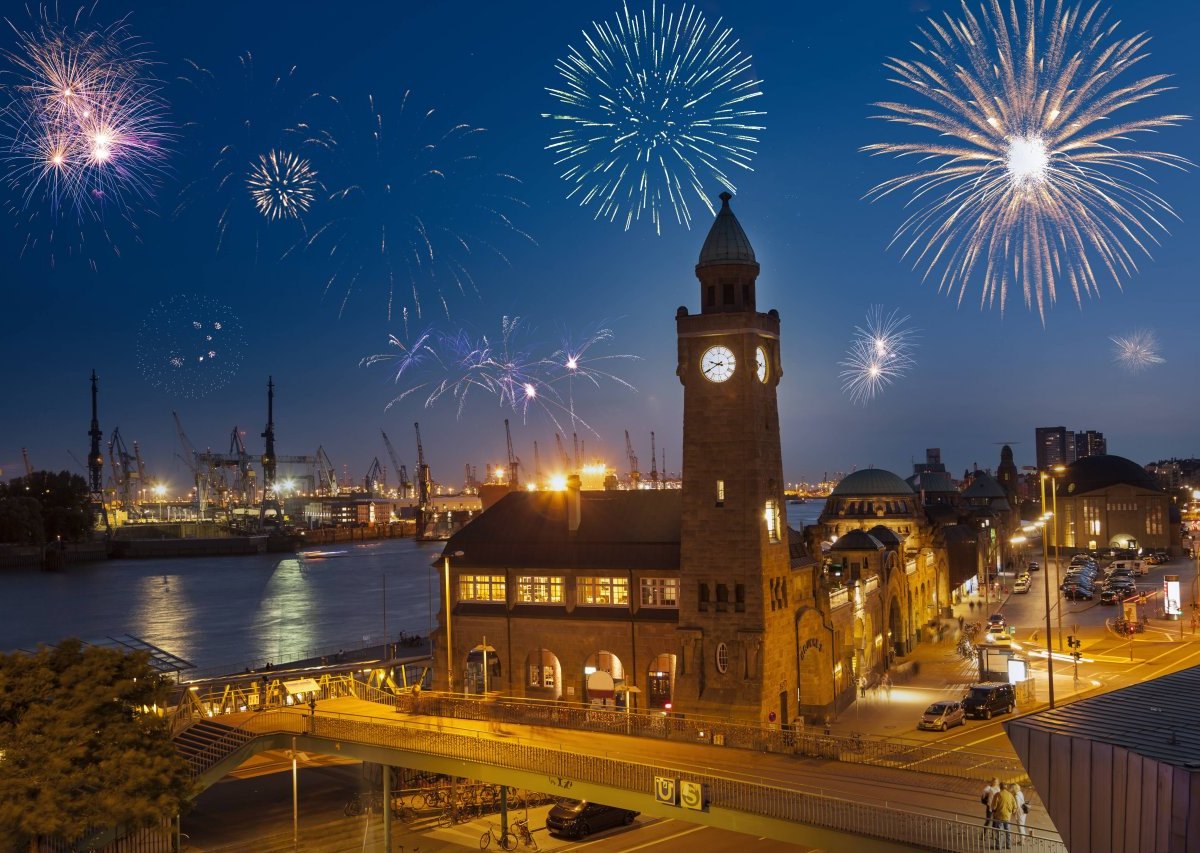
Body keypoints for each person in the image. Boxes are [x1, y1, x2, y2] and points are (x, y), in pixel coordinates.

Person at [990, 783, 1018, 849]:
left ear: (1000, 787)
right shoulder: (1010, 795)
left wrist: (993, 812)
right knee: (1008, 831)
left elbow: (993, 807)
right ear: (1006, 787)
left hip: (999, 816)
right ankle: (1008, 845)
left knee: (999, 831)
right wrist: (1012, 812)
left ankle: (998, 846)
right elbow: (1015, 806)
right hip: (1007, 816)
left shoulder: (997, 795)